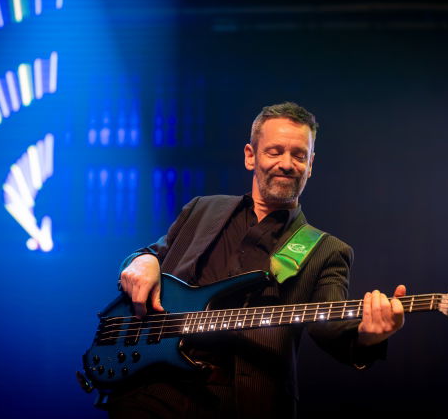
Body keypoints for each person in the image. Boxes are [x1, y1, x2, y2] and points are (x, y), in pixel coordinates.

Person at [109, 102, 405, 418]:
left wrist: (368, 335)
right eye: (275, 152)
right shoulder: (202, 209)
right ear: (250, 156)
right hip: (152, 388)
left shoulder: (325, 250)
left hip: (242, 402)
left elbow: (331, 328)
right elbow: (151, 257)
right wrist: (142, 261)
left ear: (310, 165)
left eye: (299, 155)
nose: (287, 164)